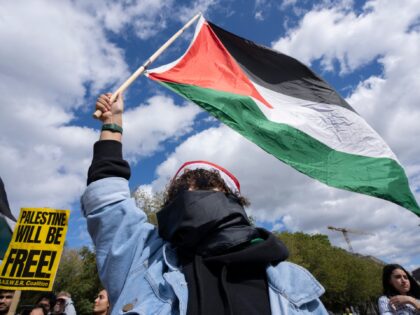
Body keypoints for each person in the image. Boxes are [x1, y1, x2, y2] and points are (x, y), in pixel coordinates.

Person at [81, 93, 328, 314]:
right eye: (180, 190)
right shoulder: (142, 259)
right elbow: (107, 202)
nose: (192, 193)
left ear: (234, 200)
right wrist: (112, 124)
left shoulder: (292, 284)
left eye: (205, 184)